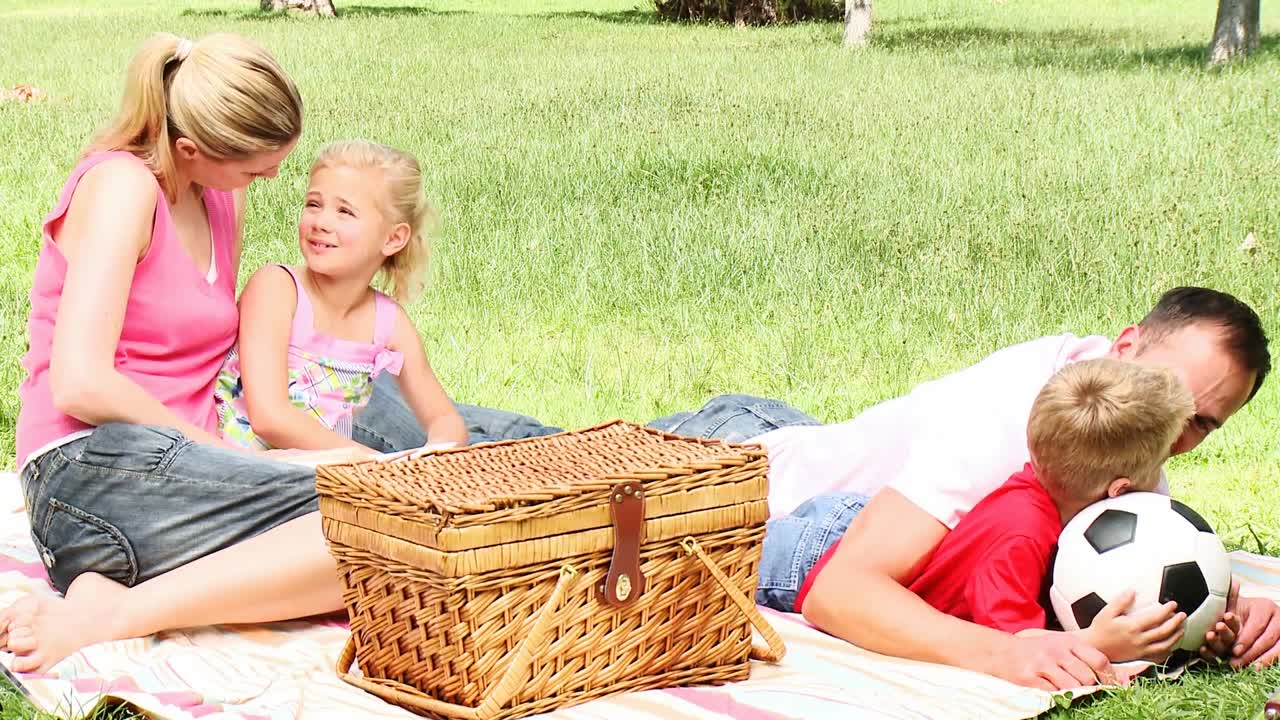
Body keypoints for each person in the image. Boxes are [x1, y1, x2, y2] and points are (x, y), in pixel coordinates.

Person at [461, 287, 1280, 687]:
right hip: (742, 476)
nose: (1179, 434)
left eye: (1204, 425)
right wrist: (1009, 652)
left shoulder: (1126, 419)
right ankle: (363, 383)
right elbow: (841, 591)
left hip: (819, 454)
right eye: (1177, 399)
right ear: (1127, 344)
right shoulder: (1009, 424)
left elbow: (1127, 551)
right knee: (505, 469)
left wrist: (1227, 603)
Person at [0, 33, 420, 673]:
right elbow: (79, 383)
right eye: (256, 167)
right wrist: (228, 456)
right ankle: (115, 614)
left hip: (181, 476)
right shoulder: (122, 189)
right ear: (192, 149)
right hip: (92, 470)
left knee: (405, 481)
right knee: (386, 523)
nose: (274, 176)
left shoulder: (219, 192)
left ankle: (111, 585)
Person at [760, 358, 1194, 668]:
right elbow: (1014, 646)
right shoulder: (1022, 534)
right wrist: (1094, 645)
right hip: (807, 559)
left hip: (850, 523)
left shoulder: (1049, 497)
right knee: (709, 538)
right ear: (1118, 490)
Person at [214, 140, 467, 452]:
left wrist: (437, 451)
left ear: (393, 238)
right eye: (314, 204)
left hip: (322, 476)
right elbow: (270, 418)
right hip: (240, 467)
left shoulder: (389, 323)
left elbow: (443, 417)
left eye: (344, 211)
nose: (321, 222)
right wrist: (369, 463)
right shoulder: (277, 288)